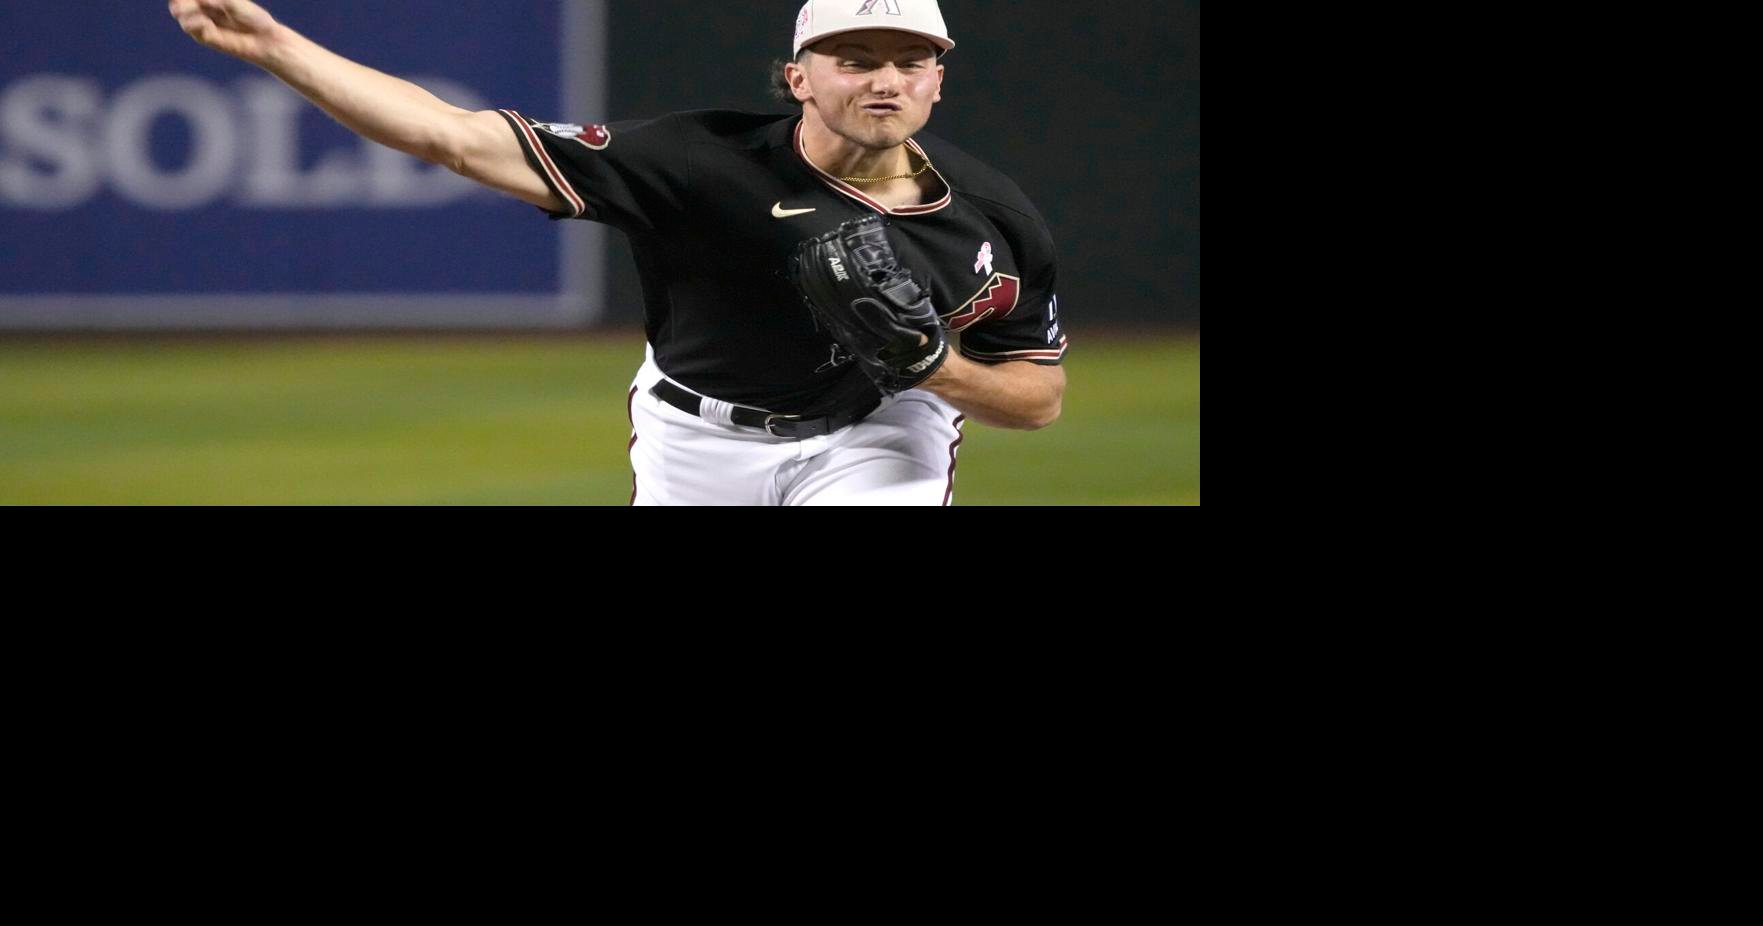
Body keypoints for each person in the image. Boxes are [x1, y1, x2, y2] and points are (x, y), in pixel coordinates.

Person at [168, 0, 1067, 505]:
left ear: (937, 81)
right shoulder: (696, 161)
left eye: (910, 60)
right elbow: (455, 138)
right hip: (696, 435)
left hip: (876, 431)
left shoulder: (991, 218)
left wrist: (933, 369)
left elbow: (1035, 399)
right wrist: (277, 47)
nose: (884, 79)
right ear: (798, 78)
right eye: (854, 57)